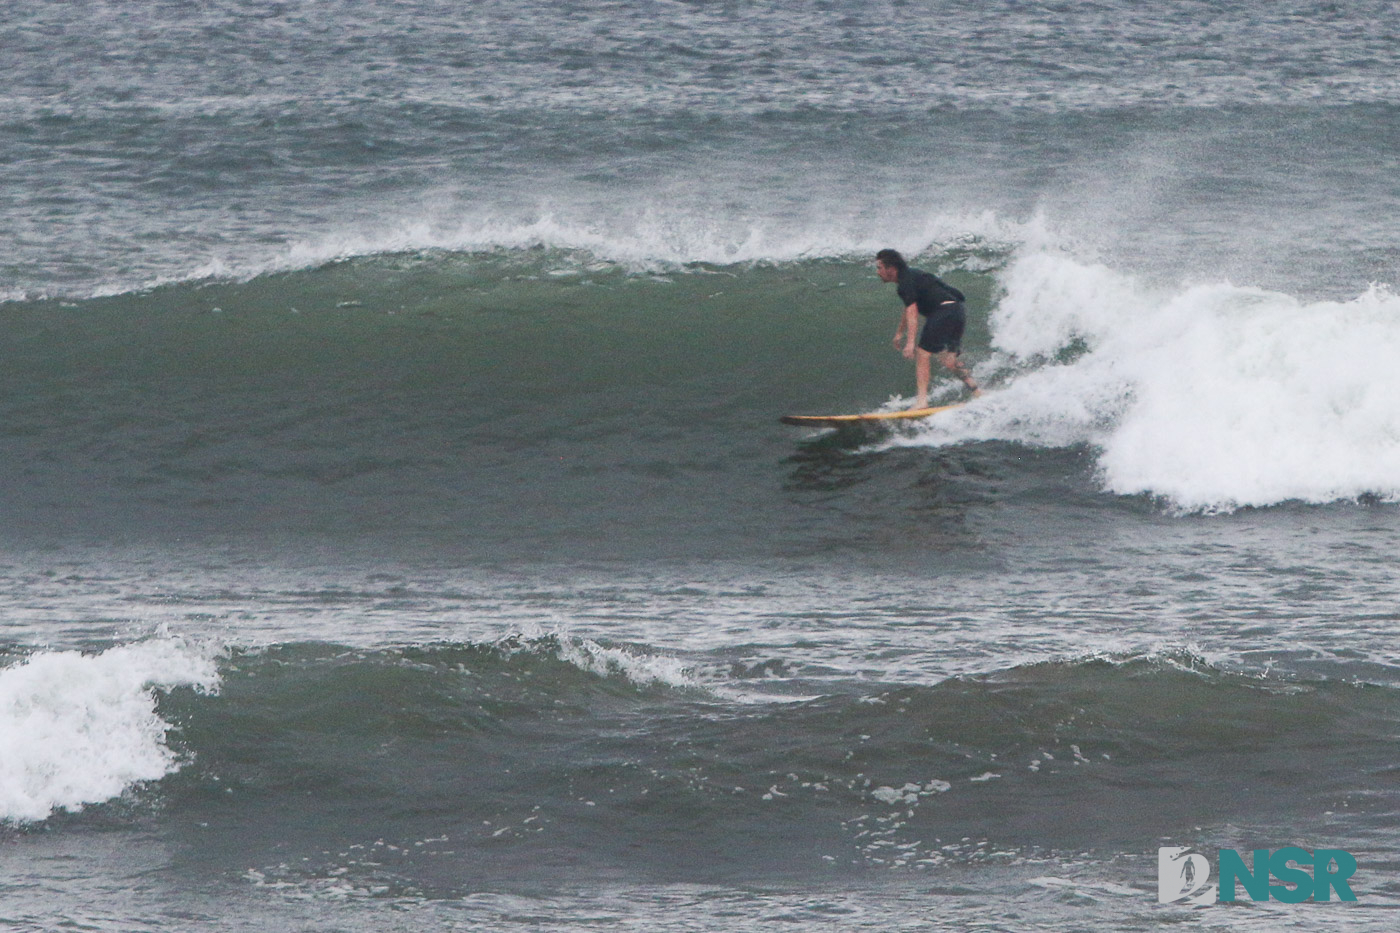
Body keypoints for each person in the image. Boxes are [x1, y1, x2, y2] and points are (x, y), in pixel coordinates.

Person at [875, 248, 981, 407]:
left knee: (923, 353)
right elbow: (909, 307)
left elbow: (912, 312)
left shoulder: (905, 283)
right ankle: (976, 391)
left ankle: (922, 401)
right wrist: (899, 333)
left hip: (944, 311)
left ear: (891, 268)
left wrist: (910, 343)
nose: (878, 272)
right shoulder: (911, 276)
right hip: (957, 311)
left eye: (879, 268)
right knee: (948, 360)